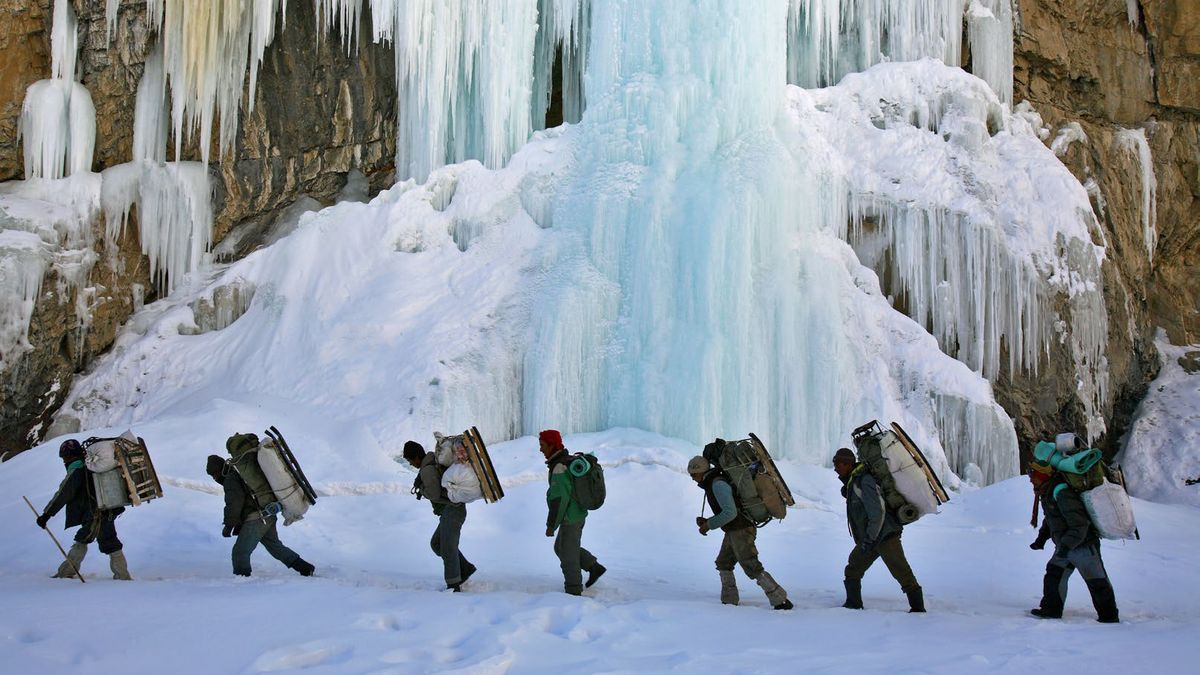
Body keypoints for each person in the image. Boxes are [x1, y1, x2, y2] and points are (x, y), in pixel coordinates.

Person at [688, 453, 792, 610]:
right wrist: (708, 521)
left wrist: (709, 524)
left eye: (693, 474)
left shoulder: (717, 484)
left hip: (741, 529)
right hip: (735, 529)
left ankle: (780, 599)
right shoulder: (715, 482)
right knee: (724, 563)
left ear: (700, 471)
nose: (692, 478)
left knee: (751, 565)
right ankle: (729, 601)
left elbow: (730, 513)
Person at [832, 447, 924, 612]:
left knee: (901, 571)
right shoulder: (854, 481)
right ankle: (853, 604)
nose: (835, 468)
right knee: (853, 567)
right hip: (871, 537)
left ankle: (918, 608)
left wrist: (869, 538)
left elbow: (878, 511)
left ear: (847, 464)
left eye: (837, 464)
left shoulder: (864, 480)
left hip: (885, 535)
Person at [205, 446, 314, 578]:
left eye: (214, 473)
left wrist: (229, 525)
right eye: (212, 475)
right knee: (275, 547)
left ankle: (242, 580)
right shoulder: (239, 475)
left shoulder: (231, 480)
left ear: (220, 469)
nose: (214, 478)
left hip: (257, 518)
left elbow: (234, 503)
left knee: (240, 552)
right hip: (267, 514)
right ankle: (305, 568)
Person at [1030, 464, 1119, 623]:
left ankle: (1109, 617)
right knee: (1054, 575)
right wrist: (1041, 539)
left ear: (1043, 476)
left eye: (1033, 476)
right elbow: (1051, 518)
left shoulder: (1062, 493)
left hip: (1084, 546)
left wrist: (1066, 546)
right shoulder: (1048, 492)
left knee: (1096, 581)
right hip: (1067, 546)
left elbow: (1080, 524)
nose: (1031, 480)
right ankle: (1051, 610)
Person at [35, 439, 132, 580]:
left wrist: (46, 515)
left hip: (95, 514)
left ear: (71, 456)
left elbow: (63, 494)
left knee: (92, 540)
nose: (64, 461)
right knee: (102, 541)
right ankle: (121, 575)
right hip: (105, 511)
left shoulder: (78, 471)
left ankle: (67, 573)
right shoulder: (91, 467)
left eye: (65, 457)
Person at [404, 440, 477, 591]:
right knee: (437, 544)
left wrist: (421, 488)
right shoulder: (430, 464)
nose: (411, 464)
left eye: (410, 460)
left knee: (448, 547)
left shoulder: (427, 470)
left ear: (417, 456)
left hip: (452, 510)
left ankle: (453, 585)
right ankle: (465, 569)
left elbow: (434, 493)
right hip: (450, 511)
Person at [540, 429, 605, 595]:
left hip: (570, 517)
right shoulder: (563, 462)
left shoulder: (559, 468)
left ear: (552, 446)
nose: (541, 450)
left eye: (543, 446)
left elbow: (559, 501)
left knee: (568, 555)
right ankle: (593, 567)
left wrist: (551, 526)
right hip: (577, 514)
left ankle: (573, 591)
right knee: (561, 548)